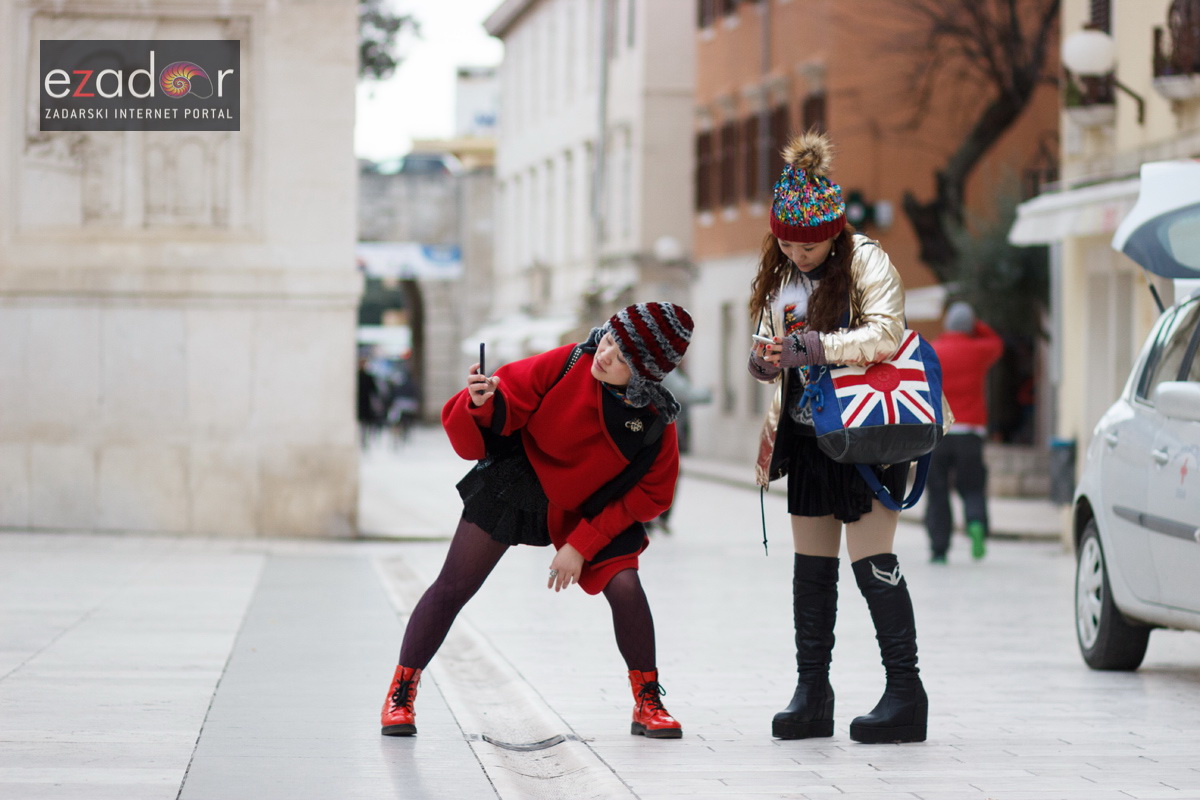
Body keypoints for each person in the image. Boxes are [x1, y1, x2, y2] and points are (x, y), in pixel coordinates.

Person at [380, 302, 694, 740]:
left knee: (626, 585)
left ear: (646, 376)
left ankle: (648, 701)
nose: (604, 356)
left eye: (622, 358)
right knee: (454, 585)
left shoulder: (657, 421)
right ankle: (401, 694)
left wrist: (582, 545)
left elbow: (653, 494)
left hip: (593, 507)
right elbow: (506, 403)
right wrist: (481, 402)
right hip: (521, 476)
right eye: (608, 341)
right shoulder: (570, 361)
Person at [748, 130, 928, 744]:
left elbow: (887, 334)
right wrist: (767, 359)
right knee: (811, 568)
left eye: (809, 242)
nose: (798, 254)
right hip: (807, 437)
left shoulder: (866, 260)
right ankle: (812, 691)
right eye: (788, 244)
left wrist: (811, 346)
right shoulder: (783, 282)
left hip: (868, 435)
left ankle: (906, 692)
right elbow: (780, 346)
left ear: (834, 229)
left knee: (873, 559)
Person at [924, 301, 1004, 563]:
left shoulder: (933, 351)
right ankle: (976, 523)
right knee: (972, 486)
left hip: (939, 433)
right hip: (970, 432)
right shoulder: (978, 350)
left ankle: (939, 547)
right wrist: (975, 326)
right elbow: (996, 343)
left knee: (937, 490)